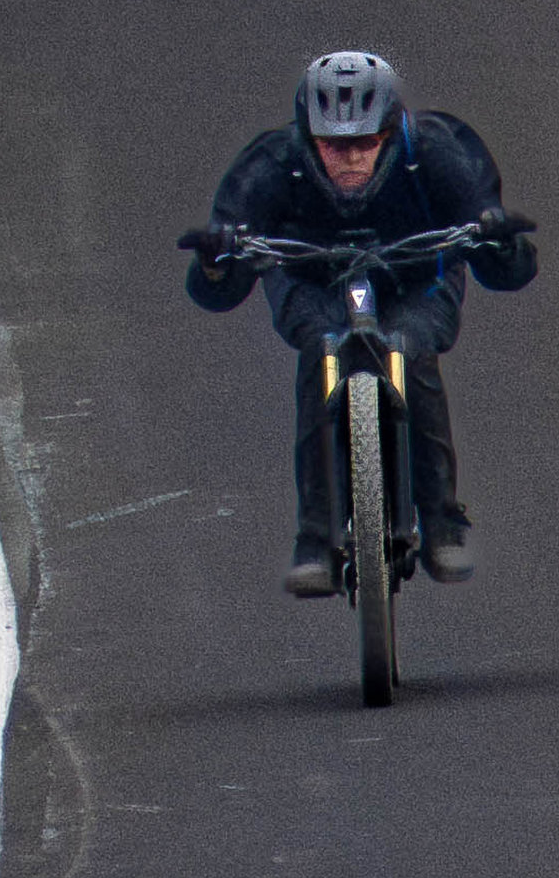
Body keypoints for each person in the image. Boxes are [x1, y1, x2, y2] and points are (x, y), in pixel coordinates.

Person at [182, 50, 535, 596]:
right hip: (312, 282)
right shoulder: (270, 165)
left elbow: (505, 263)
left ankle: (441, 521)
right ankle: (314, 538)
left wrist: (497, 236)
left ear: (391, 135)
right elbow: (218, 283)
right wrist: (216, 257)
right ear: (308, 139)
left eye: (363, 145)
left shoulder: (437, 152)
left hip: (418, 280)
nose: (348, 160)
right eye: (332, 146)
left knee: (410, 349)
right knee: (322, 351)